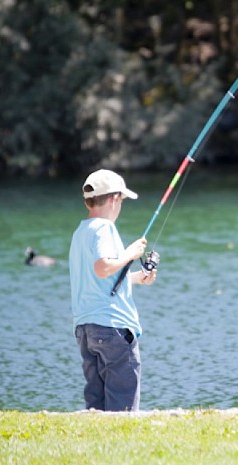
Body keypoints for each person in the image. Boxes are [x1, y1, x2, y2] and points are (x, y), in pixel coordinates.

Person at [69, 169, 158, 411]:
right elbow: (103, 267)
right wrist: (130, 253)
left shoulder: (80, 232)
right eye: (122, 201)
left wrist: (136, 278)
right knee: (122, 402)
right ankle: (121, 442)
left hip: (86, 329)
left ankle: (97, 444)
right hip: (113, 328)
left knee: (96, 402)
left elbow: (95, 279)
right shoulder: (103, 229)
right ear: (114, 199)